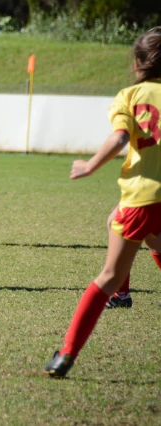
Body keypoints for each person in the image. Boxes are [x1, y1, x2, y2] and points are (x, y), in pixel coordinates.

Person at [45, 27, 161, 378]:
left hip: (144, 196)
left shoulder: (131, 95)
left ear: (138, 62)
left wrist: (90, 165)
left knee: (109, 275)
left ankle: (66, 353)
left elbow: (121, 136)